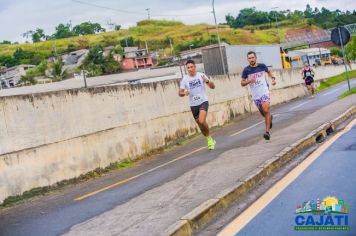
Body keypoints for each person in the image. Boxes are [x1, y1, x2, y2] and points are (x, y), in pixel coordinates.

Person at [179, 59, 216, 150]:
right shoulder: (185, 79)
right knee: (200, 125)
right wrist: (184, 93)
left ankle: (209, 139)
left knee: (202, 121)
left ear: (195, 67)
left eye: (191, 67)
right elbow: (180, 93)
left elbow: (213, 87)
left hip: (203, 101)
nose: (190, 69)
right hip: (193, 105)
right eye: (188, 68)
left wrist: (207, 81)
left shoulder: (201, 75)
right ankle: (209, 139)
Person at [241, 51, 277, 140]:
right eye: (249, 58)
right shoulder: (246, 70)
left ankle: (267, 132)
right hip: (256, 95)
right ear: (247, 59)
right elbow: (242, 83)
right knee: (264, 113)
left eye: (253, 57)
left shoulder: (262, 66)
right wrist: (249, 81)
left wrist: (273, 79)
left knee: (266, 109)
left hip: (264, 92)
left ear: (256, 58)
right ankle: (269, 118)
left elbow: (268, 72)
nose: (251, 59)